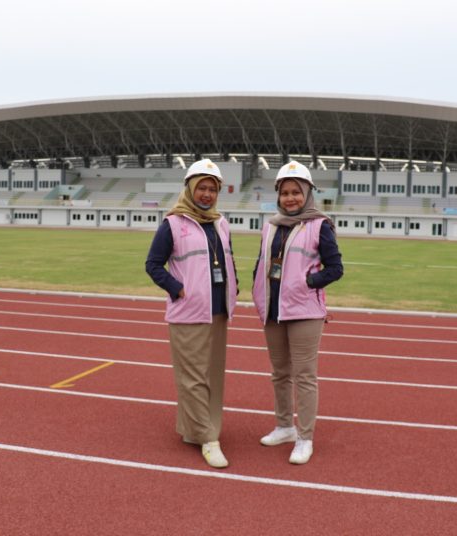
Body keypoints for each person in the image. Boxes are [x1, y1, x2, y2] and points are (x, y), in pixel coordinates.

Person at [145, 158, 238, 469]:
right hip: (188, 311)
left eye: (212, 189)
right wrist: (177, 288)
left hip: (219, 310)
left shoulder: (221, 223)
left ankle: (192, 430)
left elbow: (227, 261)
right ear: (189, 189)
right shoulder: (173, 224)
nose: (207, 194)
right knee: (193, 378)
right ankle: (208, 438)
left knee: (212, 376)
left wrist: (233, 292)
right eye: (202, 188)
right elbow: (153, 265)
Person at [252, 161, 343, 464]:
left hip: (304, 311)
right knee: (279, 374)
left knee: (304, 376)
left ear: (307, 194)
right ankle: (283, 426)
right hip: (273, 310)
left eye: (296, 192)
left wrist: (308, 282)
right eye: (285, 192)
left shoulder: (320, 225)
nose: (290, 198)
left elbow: (335, 269)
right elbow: (262, 263)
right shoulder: (271, 225)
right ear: (278, 195)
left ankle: (304, 437)